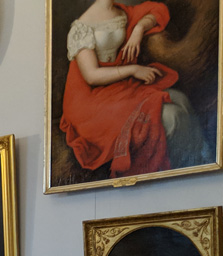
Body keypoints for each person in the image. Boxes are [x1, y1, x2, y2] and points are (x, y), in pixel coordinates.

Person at [61, 0, 207, 178]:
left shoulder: (121, 12)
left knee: (180, 99)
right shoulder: (81, 27)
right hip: (88, 102)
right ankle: (187, 171)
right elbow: (91, 76)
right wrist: (133, 69)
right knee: (171, 116)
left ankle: (202, 161)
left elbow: (157, 10)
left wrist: (139, 28)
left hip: (117, 89)